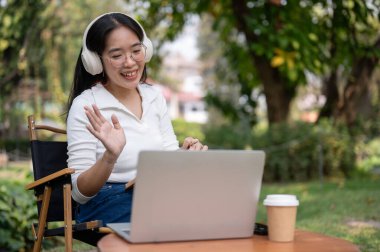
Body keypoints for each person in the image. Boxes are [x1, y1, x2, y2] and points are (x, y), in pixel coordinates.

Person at [66, 12, 208, 225]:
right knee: (177, 218)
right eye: (116, 55)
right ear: (95, 61)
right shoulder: (86, 106)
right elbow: (79, 193)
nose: (130, 62)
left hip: (154, 194)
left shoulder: (154, 96)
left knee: (210, 208)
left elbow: (167, 157)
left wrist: (185, 156)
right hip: (106, 200)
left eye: (135, 51)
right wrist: (109, 156)